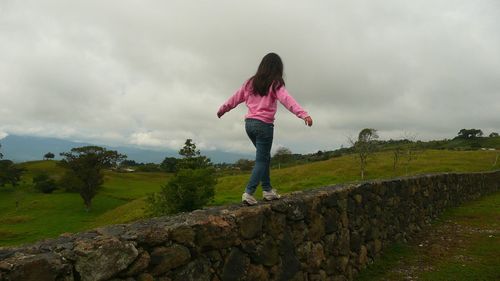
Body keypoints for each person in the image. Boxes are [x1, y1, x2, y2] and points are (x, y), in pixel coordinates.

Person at [217, 53, 313, 205]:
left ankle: (267, 190)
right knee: (262, 160)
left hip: (249, 125)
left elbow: (235, 98)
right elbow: (288, 100)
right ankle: (248, 193)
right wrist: (303, 115)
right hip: (264, 126)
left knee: (265, 157)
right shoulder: (275, 83)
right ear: (277, 68)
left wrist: (223, 109)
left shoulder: (250, 83)